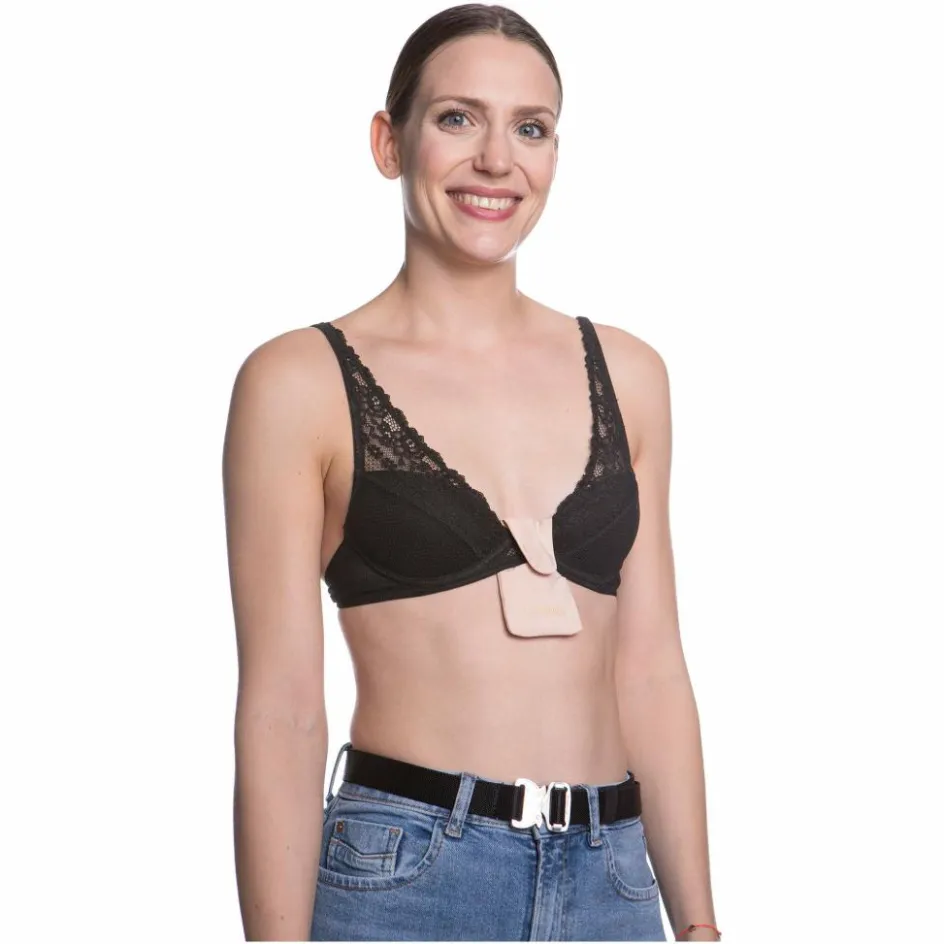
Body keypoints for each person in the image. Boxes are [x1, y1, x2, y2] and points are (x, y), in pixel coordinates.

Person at [223, 3, 720, 941]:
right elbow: (282, 709)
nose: (497, 160)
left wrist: (697, 924)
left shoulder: (630, 374)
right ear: (390, 141)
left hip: (612, 879)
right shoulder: (298, 383)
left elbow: (652, 670)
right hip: (409, 880)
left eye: (530, 128)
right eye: (458, 118)